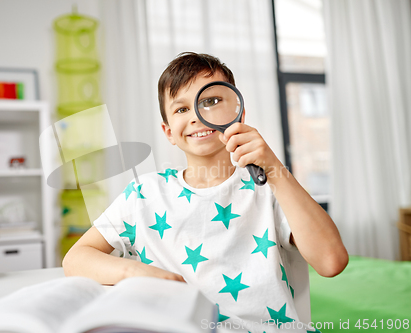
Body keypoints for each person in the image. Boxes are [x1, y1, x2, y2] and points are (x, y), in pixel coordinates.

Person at [63, 52, 348, 329]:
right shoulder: (143, 194)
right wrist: (138, 272)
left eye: (211, 101)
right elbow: (75, 258)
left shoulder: (269, 187)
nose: (197, 116)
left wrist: (273, 167)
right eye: (181, 109)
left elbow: (331, 262)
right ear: (169, 133)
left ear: (238, 111)